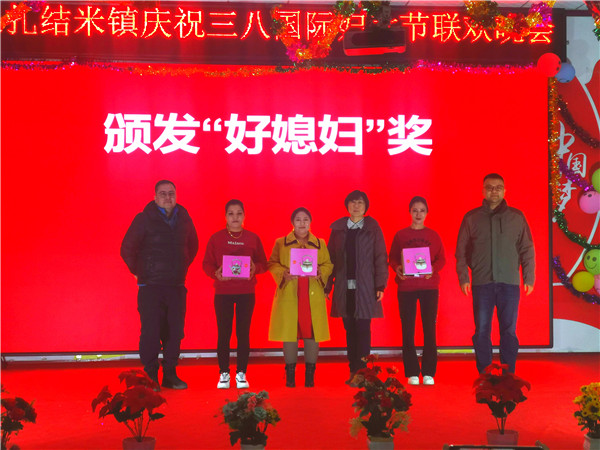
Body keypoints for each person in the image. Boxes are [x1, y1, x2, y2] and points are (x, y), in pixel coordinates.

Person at [121, 180, 198, 390]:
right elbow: (127, 248)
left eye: (171, 193)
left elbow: (193, 246)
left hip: (176, 286)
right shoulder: (143, 219)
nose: (167, 197)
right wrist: (140, 271)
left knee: (175, 332)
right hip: (151, 286)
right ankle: (150, 376)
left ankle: (170, 374)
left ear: (176, 196)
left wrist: (180, 267)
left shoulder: (184, 219)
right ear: (155, 197)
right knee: (151, 332)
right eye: (163, 193)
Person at [455, 173, 535, 374]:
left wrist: (529, 277)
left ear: (505, 191)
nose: (494, 191)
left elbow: (527, 248)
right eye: (490, 187)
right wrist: (464, 277)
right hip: (482, 283)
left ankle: (509, 374)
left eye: (498, 187)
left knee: (509, 331)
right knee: (482, 330)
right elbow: (461, 251)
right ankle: (485, 373)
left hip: (509, 283)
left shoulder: (516, 217)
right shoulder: (471, 218)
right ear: (483, 190)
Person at [202, 199, 267, 390]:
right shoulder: (216, 238)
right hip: (223, 292)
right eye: (231, 213)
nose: (235, 217)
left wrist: (255, 268)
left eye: (239, 213)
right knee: (224, 333)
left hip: (246, 292)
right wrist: (215, 273)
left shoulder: (253, 238)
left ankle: (241, 373)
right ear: (225, 217)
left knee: (243, 333)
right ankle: (224, 373)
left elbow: (264, 263)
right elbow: (206, 264)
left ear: (244, 216)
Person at [326, 190, 388, 383]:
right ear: (347, 205)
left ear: (366, 206)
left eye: (360, 202)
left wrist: (380, 284)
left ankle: (363, 372)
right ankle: (353, 370)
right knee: (350, 330)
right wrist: (327, 286)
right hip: (344, 288)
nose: (356, 206)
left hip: (366, 287)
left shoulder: (373, 228)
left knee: (363, 329)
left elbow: (380, 257)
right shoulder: (338, 229)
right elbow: (330, 259)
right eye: (352, 202)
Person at [268, 207, 333, 388]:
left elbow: (328, 264)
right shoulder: (281, 243)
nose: (302, 223)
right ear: (292, 222)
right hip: (290, 293)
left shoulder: (320, 243)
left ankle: (310, 374)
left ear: (310, 222)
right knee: (290, 332)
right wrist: (283, 273)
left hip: (312, 294)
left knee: (312, 331)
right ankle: (290, 374)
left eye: (305, 219)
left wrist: (321, 272)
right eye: (298, 219)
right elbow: (272, 263)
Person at [389, 196, 445, 386]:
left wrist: (433, 269)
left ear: (427, 213)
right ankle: (412, 371)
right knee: (408, 329)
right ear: (410, 212)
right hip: (407, 288)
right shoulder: (401, 235)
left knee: (429, 329)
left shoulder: (433, 235)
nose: (418, 214)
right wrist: (397, 268)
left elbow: (442, 259)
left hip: (429, 287)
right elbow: (393, 258)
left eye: (422, 210)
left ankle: (429, 372)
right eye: (415, 210)